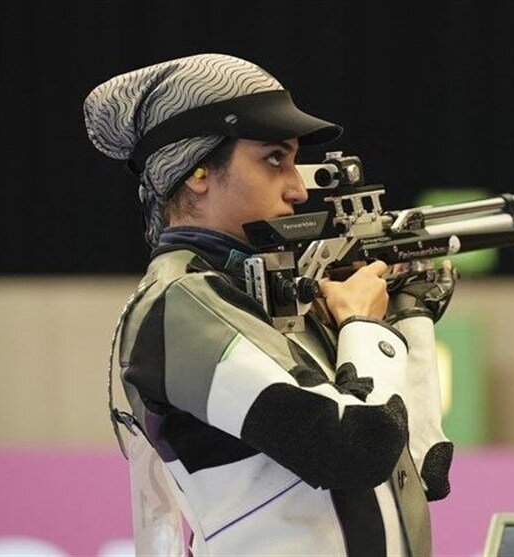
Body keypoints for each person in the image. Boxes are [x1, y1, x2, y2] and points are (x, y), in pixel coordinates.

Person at [84, 53, 455, 556]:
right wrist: (363, 325)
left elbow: (421, 468)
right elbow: (353, 450)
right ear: (196, 171)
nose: (299, 189)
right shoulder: (178, 303)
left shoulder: (260, 296)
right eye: (274, 159)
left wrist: (408, 319)